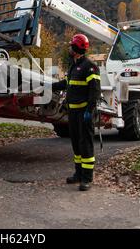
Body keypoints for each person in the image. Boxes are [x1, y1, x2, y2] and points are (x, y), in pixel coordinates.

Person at [52, 34, 101, 191]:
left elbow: (94, 92)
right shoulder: (74, 66)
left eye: (70, 46)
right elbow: (67, 84)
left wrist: (89, 111)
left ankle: (87, 179)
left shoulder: (90, 67)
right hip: (72, 113)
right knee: (76, 145)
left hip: (84, 113)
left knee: (86, 145)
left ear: (76, 48)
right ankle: (78, 174)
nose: (68, 48)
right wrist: (50, 86)